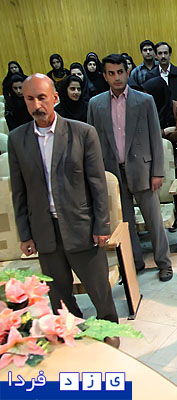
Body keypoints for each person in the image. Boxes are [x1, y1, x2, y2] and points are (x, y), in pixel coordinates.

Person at [8, 74, 119, 346]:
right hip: (44, 230)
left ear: (55, 98)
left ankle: (109, 332)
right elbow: (19, 192)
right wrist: (25, 234)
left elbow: (97, 185)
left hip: (81, 226)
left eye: (42, 97)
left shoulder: (82, 133)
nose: (37, 105)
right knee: (58, 293)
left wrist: (101, 226)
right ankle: (72, 331)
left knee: (98, 288)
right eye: (30, 99)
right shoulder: (17, 139)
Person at [88, 54, 173, 282]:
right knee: (125, 222)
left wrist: (157, 172)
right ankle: (134, 262)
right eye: (111, 73)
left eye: (120, 72)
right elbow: (92, 144)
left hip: (142, 170)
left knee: (154, 221)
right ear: (104, 76)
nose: (116, 77)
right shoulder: (96, 104)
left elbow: (155, 138)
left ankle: (164, 262)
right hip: (113, 171)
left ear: (127, 72)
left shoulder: (144, 101)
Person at [143, 77, 177, 231]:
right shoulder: (147, 109)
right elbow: (146, 134)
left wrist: (159, 134)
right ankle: (174, 217)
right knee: (167, 189)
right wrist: (165, 131)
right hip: (157, 154)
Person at [147, 42, 177, 116]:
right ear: (156, 56)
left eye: (165, 53)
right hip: (160, 116)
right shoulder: (151, 75)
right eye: (160, 53)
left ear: (170, 54)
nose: (163, 56)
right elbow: (149, 98)